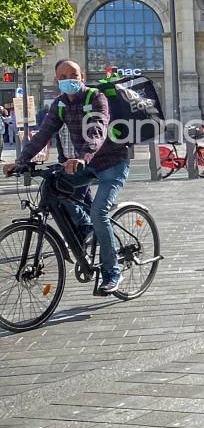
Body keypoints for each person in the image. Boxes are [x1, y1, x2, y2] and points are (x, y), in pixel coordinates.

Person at [3, 60, 132, 294]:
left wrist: (83, 156)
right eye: (63, 76)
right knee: (53, 186)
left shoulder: (96, 97)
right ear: (57, 80)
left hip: (112, 163)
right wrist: (21, 161)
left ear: (82, 77)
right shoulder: (60, 104)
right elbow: (43, 134)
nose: (68, 79)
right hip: (85, 164)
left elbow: (98, 128)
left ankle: (112, 272)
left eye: (73, 75)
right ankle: (87, 228)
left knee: (99, 212)